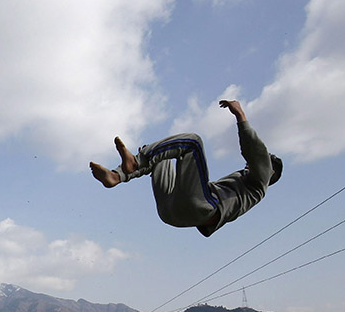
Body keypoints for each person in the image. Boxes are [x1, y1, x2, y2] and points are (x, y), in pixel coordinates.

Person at [90, 99, 282, 237]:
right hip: (172, 213)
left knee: (193, 142)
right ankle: (117, 176)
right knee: (162, 157)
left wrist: (240, 115)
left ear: (270, 171)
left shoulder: (260, 183)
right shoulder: (244, 185)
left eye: (265, 161)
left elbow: (255, 151)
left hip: (202, 209)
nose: (249, 164)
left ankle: (134, 164)